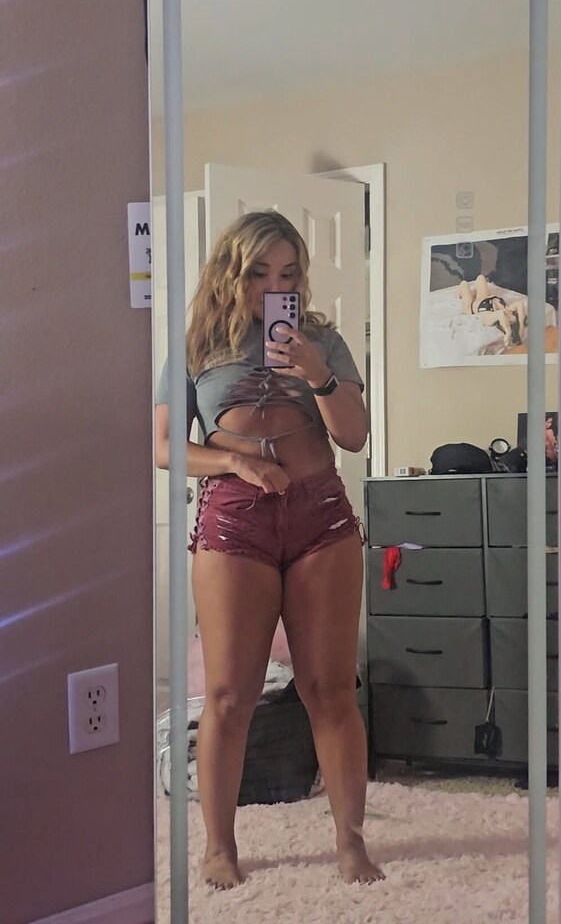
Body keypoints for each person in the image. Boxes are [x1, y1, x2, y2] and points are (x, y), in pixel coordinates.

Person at [155, 211, 384, 889]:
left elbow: (354, 436)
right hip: (235, 519)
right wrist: (235, 463)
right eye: (259, 273)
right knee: (229, 693)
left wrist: (318, 374)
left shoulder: (322, 339)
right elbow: (164, 446)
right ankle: (219, 847)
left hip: (320, 516)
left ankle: (351, 842)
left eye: (287, 273)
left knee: (330, 689)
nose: (274, 287)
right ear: (231, 272)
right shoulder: (196, 344)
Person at [458, 274, 527, 349]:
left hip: (471, 306)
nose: (509, 314)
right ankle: (473, 293)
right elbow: (519, 304)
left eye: (509, 319)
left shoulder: (491, 318)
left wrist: (508, 332)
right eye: (512, 315)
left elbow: (500, 314)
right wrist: (521, 327)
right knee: (481, 277)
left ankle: (460, 294)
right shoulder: (507, 310)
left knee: (464, 284)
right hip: (485, 297)